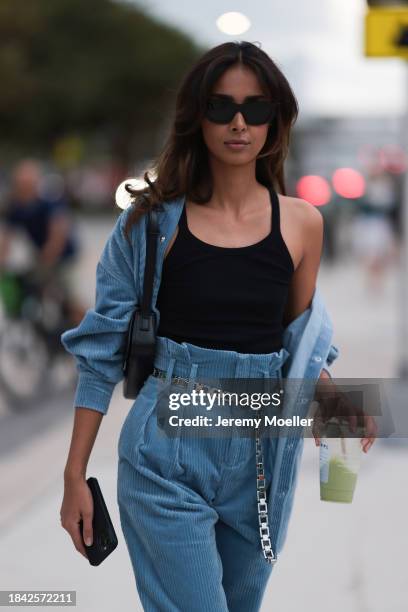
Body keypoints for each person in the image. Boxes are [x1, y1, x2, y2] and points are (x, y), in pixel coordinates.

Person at [59, 42, 375, 612]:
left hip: (261, 452)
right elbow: (101, 348)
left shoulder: (302, 223)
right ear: (195, 117)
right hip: (165, 451)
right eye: (221, 107)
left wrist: (332, 401)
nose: (238, 122)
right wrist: (74, 473)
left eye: (256, 109)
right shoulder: (149, 224)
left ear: (275, 121)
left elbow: (297, 337)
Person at [0, 159, 85, 325]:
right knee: (29, 289)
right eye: (20, 183)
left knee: (68, 296)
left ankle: (87, 329)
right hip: (41, 256)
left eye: (27, 183)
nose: (23, 187)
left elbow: (58, 234)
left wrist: (47, 260)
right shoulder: (16, 206)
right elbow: (6, 238)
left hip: (64, 255)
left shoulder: (49, 201)